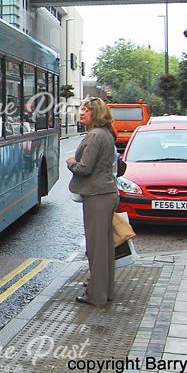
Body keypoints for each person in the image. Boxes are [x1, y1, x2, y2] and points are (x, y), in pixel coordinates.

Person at [66, 97, 118, 307]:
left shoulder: (95, 136)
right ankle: (106, 291)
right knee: (104, 248)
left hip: (97, 196)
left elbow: (85, 168)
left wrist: (71, 163)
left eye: (85, 110)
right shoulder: (106, 133)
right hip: (106, 193)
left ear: (95, 114)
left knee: (96, 249)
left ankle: (95, 296)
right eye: (81, 109)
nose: (81, 113)